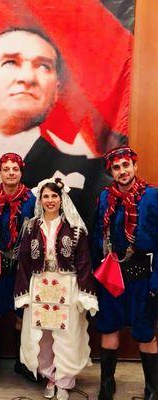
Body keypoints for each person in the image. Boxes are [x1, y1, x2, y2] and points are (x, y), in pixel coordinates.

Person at [0, 27, 109, 232]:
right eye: (10, 62)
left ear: (56, 91)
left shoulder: (91, 178)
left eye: (43, 66)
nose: (27, 77)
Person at [14, 178, 98, 400]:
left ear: (61, 199)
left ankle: (64, 380)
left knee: (67, 334)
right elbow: (23, 261)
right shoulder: (31, 226)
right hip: (39, 285)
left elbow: (84, 263)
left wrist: (85, 293)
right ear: (40, 200)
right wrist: (22, 293)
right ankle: (50, 376)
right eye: (45, 196)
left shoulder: (75, 228)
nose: (50, 200)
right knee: (43, 336)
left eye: (54, 196)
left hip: (66, 284)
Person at [92, 146, 158, 400]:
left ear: (134, 166)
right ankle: (107, 384)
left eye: (126, 165)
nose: (122, 171)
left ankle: (152, 387)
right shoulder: (105, 198)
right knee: (108, 329)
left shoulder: (152, 196)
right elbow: (98, 235)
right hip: (112, 276)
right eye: (116, 168)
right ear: (111, 171)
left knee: (145, 333)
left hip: (143, 276)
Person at [0, 152, 36, 391]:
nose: (11, 172)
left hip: (21, 269)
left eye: (15, 168)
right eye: (6, 168)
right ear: (0, 171)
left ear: (21, 172)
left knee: (22, 317)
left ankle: (21, 363)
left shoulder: (32, 198)